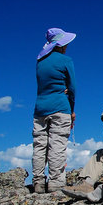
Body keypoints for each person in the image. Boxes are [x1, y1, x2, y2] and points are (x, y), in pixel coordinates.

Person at [32, 28, 76, 193]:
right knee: (57, 144)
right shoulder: (66, 60)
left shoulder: (40, 61)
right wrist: (71, 110)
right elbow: (72, 88)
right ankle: (56, 183)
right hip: (60, 107)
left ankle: (38, 182)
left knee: (39, 145)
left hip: (40, 108)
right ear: (61, 45)